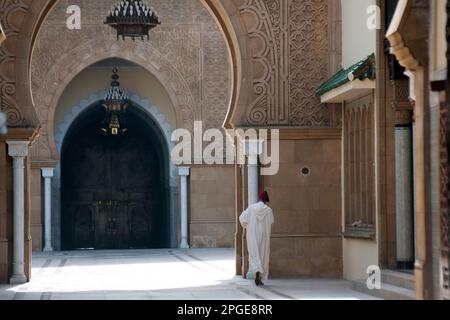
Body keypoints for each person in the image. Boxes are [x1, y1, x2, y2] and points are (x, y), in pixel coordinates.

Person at [239, 191, 274, 286]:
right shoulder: (268, 210)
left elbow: (242, 218)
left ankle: (256, 273)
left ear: (259, 199)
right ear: (266, 201)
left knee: (254, 255)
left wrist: (246, 226)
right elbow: (271, 222)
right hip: (264, 236)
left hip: (253, 235)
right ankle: (259, 276)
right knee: (262, 255)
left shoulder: (251, 208)